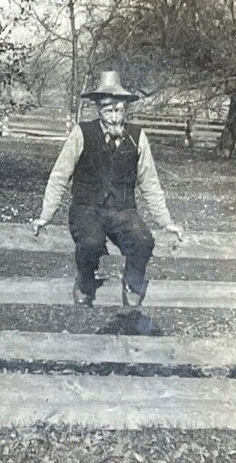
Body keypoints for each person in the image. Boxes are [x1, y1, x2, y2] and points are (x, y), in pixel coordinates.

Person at [31, 71, 185, 306]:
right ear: (98, 110)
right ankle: (84, 280)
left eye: (119, 110)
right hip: (86, 209)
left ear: (125, 110)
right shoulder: (81, 133)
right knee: (91, 243)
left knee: (143, 241)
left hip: (122, 211)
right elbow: (59, 176)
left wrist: (166, 221)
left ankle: (132, 284)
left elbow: (150, 183)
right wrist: (45, 216)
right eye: (108, 110)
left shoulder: (137, 137)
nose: (114, 118)